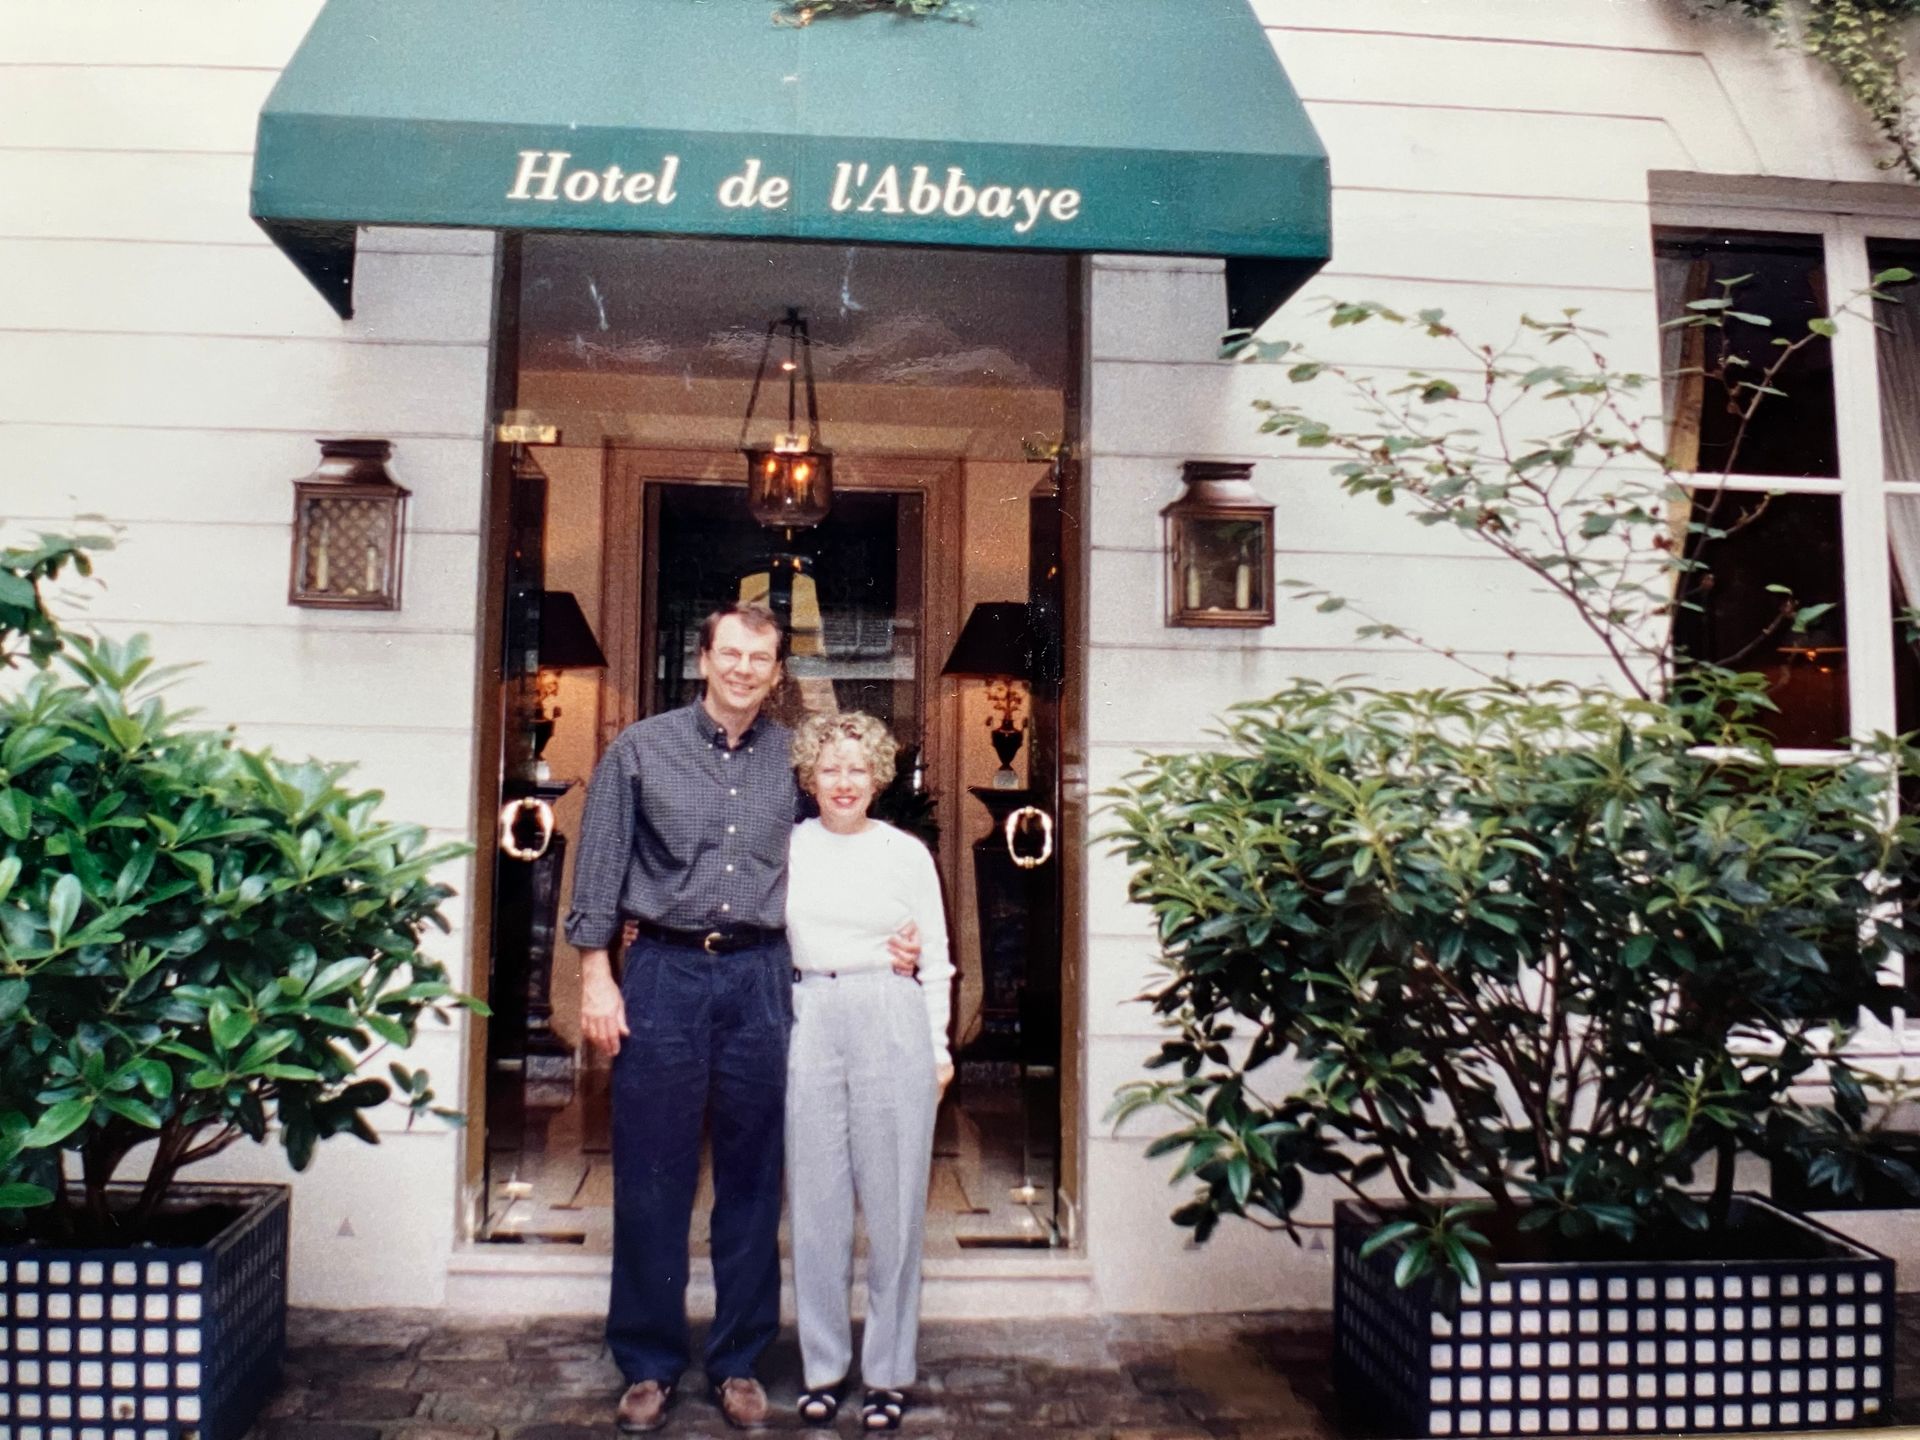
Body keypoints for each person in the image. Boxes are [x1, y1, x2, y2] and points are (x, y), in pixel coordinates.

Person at [565, 604, 918, 1433]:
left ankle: (737, 1360)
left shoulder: (792, 761)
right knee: (653, 1172)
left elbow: (841, 845)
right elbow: (600, 867)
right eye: (730, 653)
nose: (743, 669)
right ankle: (649, 1361)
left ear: (776, 671)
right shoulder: (641, 750)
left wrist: (893, 935)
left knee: (754, 1176)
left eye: (760, 658)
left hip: (762, 978)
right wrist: (596, 976)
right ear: (703, 658)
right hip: (663, 973)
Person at [783, 712, 954, 1433]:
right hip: (811, 1014)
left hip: (892, 1015)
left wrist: (938, 1047)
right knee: (816, 1204)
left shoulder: (906, 854)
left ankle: (887, 1373)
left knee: (894, 1207)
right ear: (809, 778)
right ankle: (823, 1369)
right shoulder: (788, 846)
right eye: (830, 769)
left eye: (857, 768)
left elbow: (935, 956)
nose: (844, 782)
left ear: (879, 776)